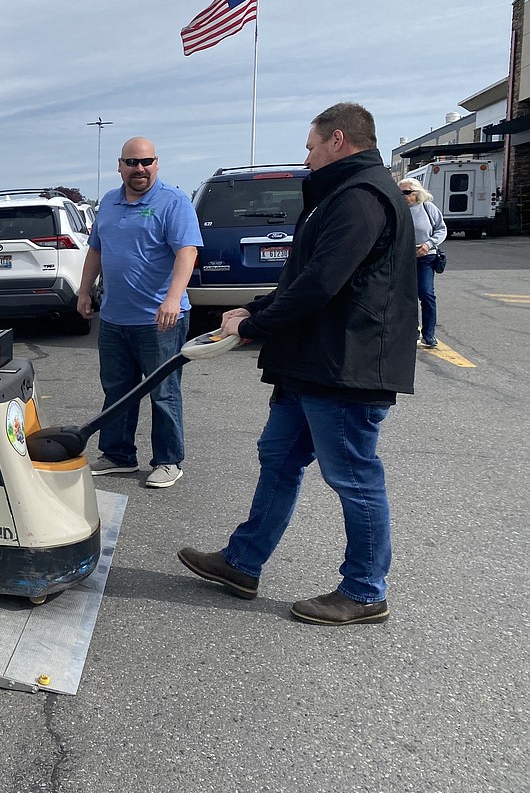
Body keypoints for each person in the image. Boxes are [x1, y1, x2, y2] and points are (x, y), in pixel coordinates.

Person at [177, 102, 417, 625]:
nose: (306, 157)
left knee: (353, 476)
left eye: (310, 146)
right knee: (279, 458)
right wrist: (251, 310)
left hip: (345, 365)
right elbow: (301, 279)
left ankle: (364, 590)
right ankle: (242, 563)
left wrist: (254, 327)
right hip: (311, 363)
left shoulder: (360, 197)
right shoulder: (338, 194)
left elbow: (321, 283)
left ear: (337, 140)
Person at [76, 137, 202, 489]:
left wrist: (173, 299)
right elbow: (95, 251)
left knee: (163, 391)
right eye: (132, 162)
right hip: (115, 318)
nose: (139, 168)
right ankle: (118, 455)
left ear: (157, 163)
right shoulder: (109, 203)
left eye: (146, 161)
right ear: (120, 166)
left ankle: (168, 460)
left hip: (160, 319)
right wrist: (85, 290)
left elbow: (186, 253)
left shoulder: (173, 202)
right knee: (116, 388)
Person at [398, 177, 447, 348]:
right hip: (404, 259)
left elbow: (441, 229)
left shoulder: (428, 208)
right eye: (400, 192)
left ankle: (429, 334)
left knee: (426, 294)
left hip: (426, 258)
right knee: (406, 297)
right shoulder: (398, 210)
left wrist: (428, 244)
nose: (402, 195)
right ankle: (412, 332)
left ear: (417, 193)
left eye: (406, 192)